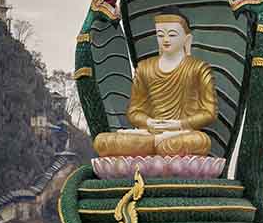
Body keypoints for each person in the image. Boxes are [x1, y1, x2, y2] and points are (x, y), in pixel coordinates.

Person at [93, 10, 218, 157]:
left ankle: (154, 150)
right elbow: (134, 112)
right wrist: (149, 122)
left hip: (181, 135)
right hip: (149, 134)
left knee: (199, 141)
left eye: (172, 35)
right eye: (160, 35)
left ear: (187, 39)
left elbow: (209, 112)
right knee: (102, 142)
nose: (165, 39)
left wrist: (178, 124)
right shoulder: (145, 68)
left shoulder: (198, 68)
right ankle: (154, 147)